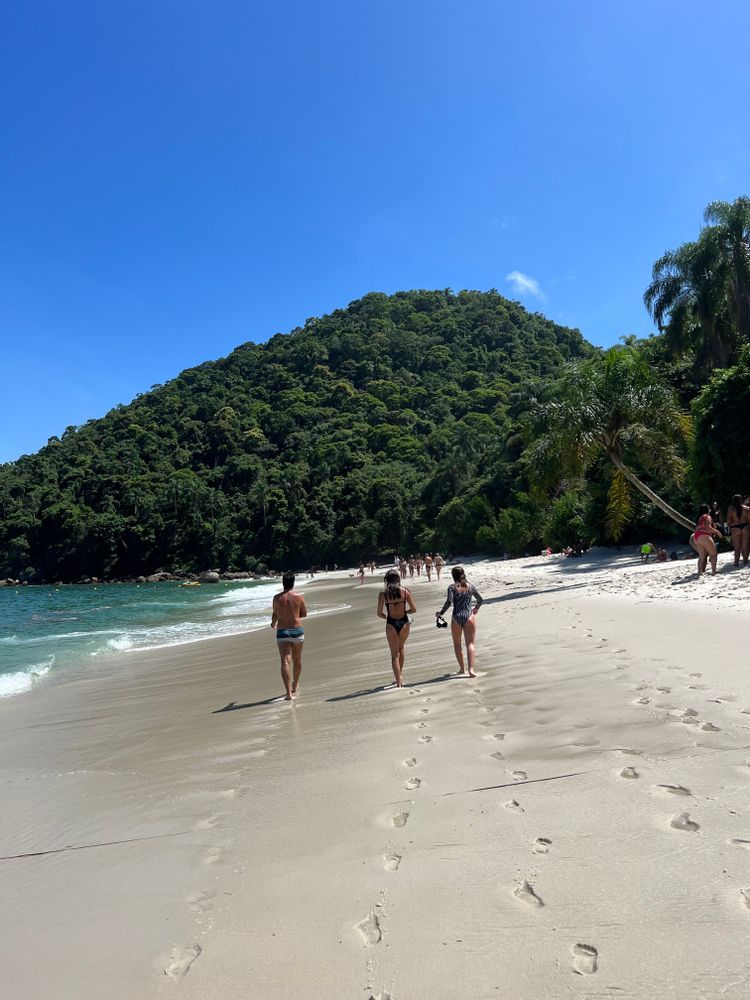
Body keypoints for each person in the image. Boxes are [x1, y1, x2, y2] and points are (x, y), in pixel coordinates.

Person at [436, 566, 484, 678]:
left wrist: (441, 613)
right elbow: (480, 599)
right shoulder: (470, 586)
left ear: (453, 576)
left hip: (456, 617)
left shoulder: (452, 588)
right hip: (469, 616)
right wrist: (476, 608)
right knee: (470, 644)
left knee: (457, 644)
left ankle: (462, 669)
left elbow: (449, 601)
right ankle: (471, 670)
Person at [270, 572, 307, 700]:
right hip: (297, 631)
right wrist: (293, 615)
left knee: (285, 661)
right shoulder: (299, 597)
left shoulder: (276, 598)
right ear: (293, 583)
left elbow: (275, 614)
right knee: (297, 659)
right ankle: (295, 685)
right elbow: (304, 614)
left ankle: (288, 694)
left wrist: (273, 623)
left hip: (283, 632)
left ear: (283, 583)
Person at [376, 570, 416, 688]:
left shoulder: (383, 594)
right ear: (398, 579)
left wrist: (387, 617)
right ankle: (400, 675)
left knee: (394, 655)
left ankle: (398, 682)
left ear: (386, 580)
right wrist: (405, 612)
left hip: (391, 624)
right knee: (401, 648)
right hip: (404, 622)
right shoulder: (405, 591)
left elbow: (379, 613)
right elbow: (414, 609)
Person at [693, 504, 723, 577]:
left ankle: (699, 573)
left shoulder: (699, 518)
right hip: (704, 535)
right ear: (707, 510)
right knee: (713, 554)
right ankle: (714, 571)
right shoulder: (707, 516)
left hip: (696, 536)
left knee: (702, 556)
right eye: (709, 509)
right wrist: (717, 532)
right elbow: (708, 527)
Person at [727, 494, 750, 568]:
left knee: (737, 548)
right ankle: (745, 562)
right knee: (745, 547)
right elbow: (749, 520)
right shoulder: (747, 508)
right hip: (745, 527)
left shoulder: (730, 509)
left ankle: (736, 563)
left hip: (735, 528)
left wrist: (730, 528)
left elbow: (728, 521)